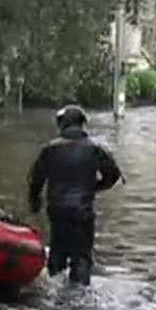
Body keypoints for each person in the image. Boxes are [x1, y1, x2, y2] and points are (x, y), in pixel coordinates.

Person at [27, 105, 122, 286]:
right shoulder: (95, 149)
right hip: (83, 212)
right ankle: (80, 297)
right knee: (82, 259)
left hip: (58, 212)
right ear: (82, 125)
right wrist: (94, 187)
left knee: (57, 257)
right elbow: (113, 175)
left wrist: (35, 203)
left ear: (62, 125)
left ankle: (55, 291)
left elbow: (35, 180)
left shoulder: (50, 150)